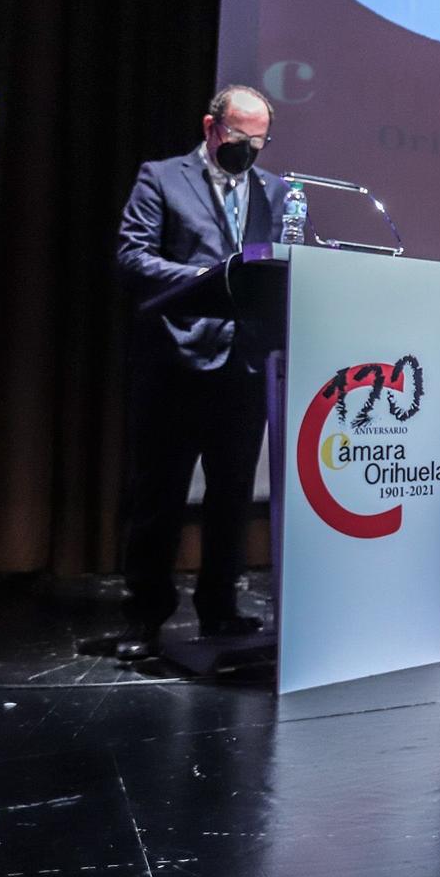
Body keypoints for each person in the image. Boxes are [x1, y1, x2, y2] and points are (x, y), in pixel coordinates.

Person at [107, 84, 287, 661]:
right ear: (212, 127)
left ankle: (220, 607)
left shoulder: (275, 192)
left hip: (243, 365)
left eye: (260, 141)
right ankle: (145, 616)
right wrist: (208, 278)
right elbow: (132, 256)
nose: (250, 150)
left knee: (232, 497)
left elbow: (280, 264)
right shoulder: (161, 178)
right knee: (159, 496)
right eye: (240, 138)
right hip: (174, 361)